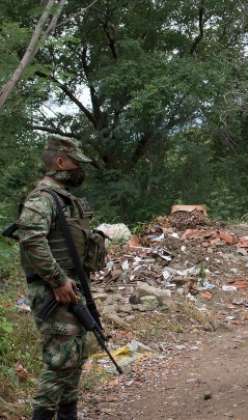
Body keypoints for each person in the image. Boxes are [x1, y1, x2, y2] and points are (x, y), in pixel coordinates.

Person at [10, 135, 106, 420]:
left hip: (73, 289)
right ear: (61, 162)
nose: (80, 170)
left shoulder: (65, 199)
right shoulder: (42, 198)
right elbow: (31, 239)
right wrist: (58, 280)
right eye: (77, 164)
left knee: (75, 359)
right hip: (54, 293)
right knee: (59, 362)